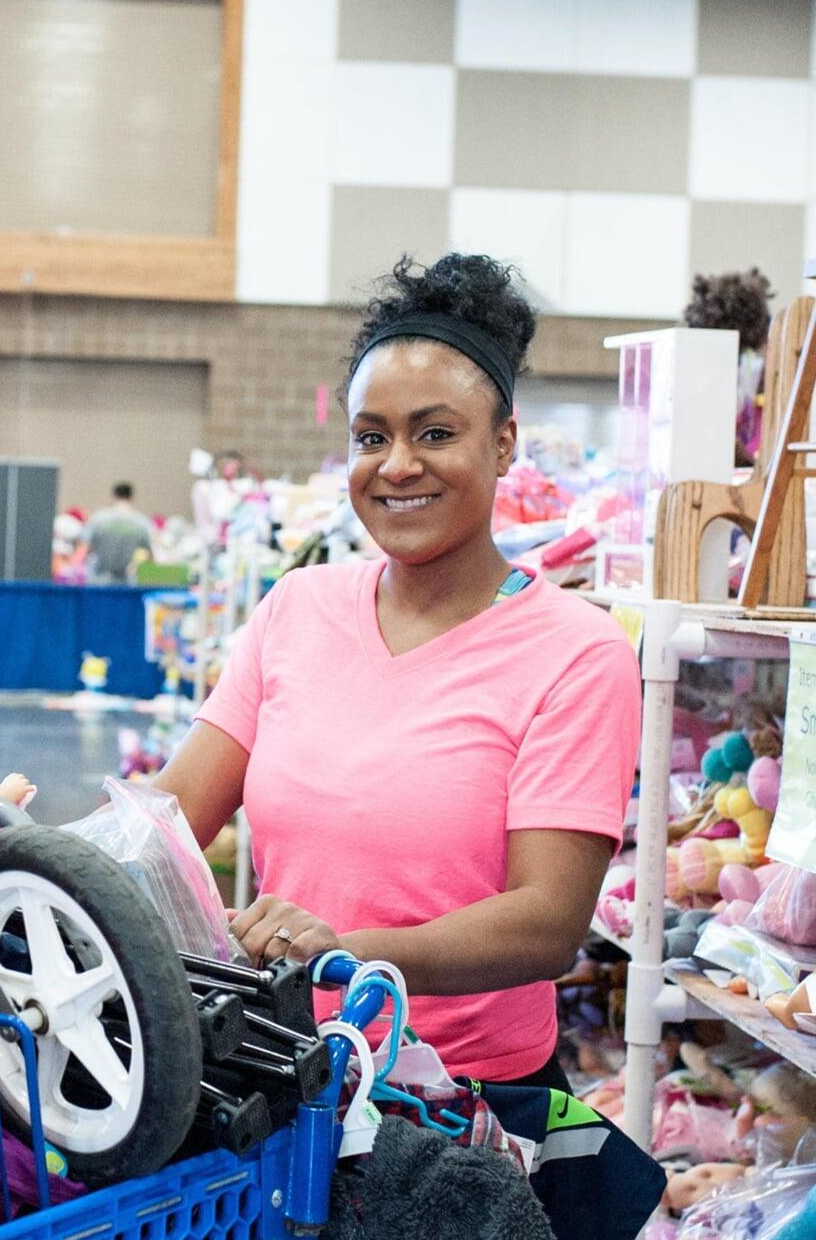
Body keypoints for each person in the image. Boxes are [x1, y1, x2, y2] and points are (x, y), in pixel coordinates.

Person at [155, 253, 641, 1086]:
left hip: (458, 1104)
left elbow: (546, 922)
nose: (398, 464)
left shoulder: (576, 652)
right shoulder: (296, 608)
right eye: (370, 437)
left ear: (504, 443)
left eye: (436, 432)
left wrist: (345, 956)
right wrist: (19, 853)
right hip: (286, 1072)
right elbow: (167, 821)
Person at [84, 483, 155, 584]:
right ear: (132, 497)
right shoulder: (141, 522)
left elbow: (85, 548)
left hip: (98, 581)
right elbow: (149, 556)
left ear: (114, 496)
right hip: (125, 583)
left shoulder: (98, 519)